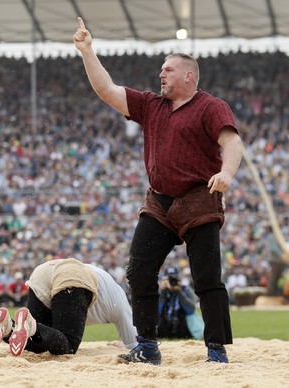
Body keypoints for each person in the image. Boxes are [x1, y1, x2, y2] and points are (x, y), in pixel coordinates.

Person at [73, 17, 242, 364]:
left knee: (207, 278)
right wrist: (88, 52)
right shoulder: (152, 105)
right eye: (161, 70)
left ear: (188, 76)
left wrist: (226, 172)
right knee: (139, 271)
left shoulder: (211, 106)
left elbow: (232, 141)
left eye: (167, 69)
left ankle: (216, 349)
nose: (161, 75)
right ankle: (147, 345)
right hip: (160, 202)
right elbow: (108, 90)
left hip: (199, 199)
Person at [0, 258, 138, 357]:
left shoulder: (109, 286)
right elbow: (134, 343)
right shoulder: (121, 303)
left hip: (44, 269)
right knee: (68, 346)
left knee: (39, 342)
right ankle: (30, 324)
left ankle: (8, 327)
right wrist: (126, 345)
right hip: (72, 274)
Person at [157, 266, 202, 339]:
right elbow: (157, 312)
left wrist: (179, 292)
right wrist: (163, 292)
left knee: (192, 316)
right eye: (169, 279)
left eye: (174, 279)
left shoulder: (186, 290)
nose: (172, 281)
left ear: (179, 279)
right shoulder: (161, 292)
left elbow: (191, 310)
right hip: (164, 326)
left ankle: (199, 335)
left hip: (182, 326)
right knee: (154, 316)